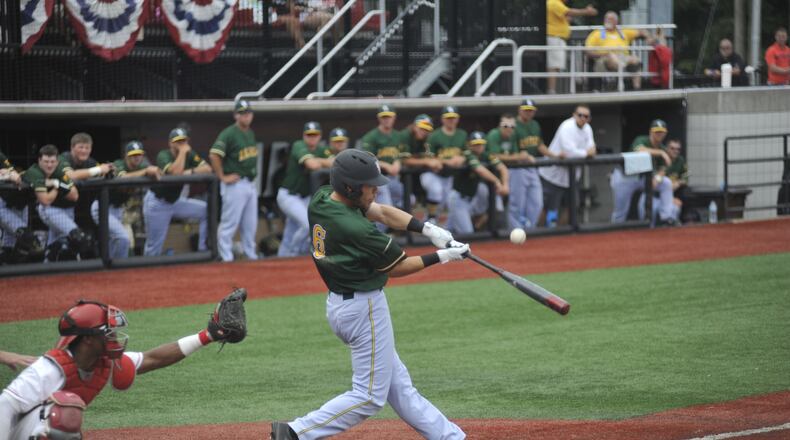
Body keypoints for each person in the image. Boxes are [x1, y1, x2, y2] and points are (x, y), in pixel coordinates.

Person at [270, 149, 469, 440]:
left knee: (399, 388)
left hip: (342, 306)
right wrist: (443, 256)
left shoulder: (323, 199)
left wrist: (427, 228)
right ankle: (295, 432)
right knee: (369, 397)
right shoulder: (356, 229)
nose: (376, 189)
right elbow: (398, 267)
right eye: (370, 185)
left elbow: (383, 212)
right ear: (350, 187)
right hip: (364, 310)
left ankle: (451, 437)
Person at [0, 292, 244, 439]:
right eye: (108, 333)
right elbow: (6, 405)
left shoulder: (103, 362)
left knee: (67, 418)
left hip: (35, 431)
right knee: (64, 415)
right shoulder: (50, 369)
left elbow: (152, 359)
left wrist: (208, 336)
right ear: (86, 339)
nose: (114, 338)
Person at [143, 128, 212, 256]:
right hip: (158, 203)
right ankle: (146, 271)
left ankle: (203, 250)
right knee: (154, 246)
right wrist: (182, 152)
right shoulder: (163, 155)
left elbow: (207, 168)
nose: (181, 144)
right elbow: (175, 172)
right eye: (177, 141)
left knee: (206, 210)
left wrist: (190, 172)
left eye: (183, 141)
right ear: (170, 143)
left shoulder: (190, 154)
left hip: (174, 201)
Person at [91, 141, 161, 259]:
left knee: (114, 241)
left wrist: (154, 170)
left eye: (139, 154)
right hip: (102, 207)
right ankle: (120, 268)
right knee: (123, 237)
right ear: (126, 156)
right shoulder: (120, 164)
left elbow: (158, 173)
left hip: (117, 209)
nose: (136, 157)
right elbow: (122, 178)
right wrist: (145, 172)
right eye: (133, 155)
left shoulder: (142, 166)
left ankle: (111, 270)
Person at [210, 100, 260, 262]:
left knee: (250, 224)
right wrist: (222, 176)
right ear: (235, 115)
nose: (246, 116)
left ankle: (250, 254)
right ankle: (226, 257)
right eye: (242, 113)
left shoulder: (250, 133)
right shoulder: (229, 133)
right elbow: (214, 154)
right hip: (235, 184)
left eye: (248, 113)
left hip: (250, 184)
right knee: (229, 223)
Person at [276, 122, 333, 257]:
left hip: (305, 197)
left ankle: (282, 257)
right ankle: (293, 253)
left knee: (291, 231)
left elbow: (335, 162)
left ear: (320, 136)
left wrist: (318, 160)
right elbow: (311, 164)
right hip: (289, 195)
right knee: (308, 225)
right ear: (304, 136)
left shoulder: (322, 149)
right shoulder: (298, 145)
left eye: (315, 135)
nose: (312, 138)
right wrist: (320, 161)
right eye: (309, 135)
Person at [538, 105, 596, 226]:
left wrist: (585, 153)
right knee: (545, 207)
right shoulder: (566, 126)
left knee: (571, 207)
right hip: (552, 176)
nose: (583, 118)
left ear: (589, 118)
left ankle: (561, 237)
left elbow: (592, 149)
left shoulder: (587, 128)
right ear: (574, 115)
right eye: (580, 115)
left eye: (586, 116)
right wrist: (586, 153)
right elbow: (569, 152)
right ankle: (538, 235)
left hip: (572, 177)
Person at [448, 132, 509, 234]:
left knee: (449, 232)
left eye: (481, 144)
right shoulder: (467, 154)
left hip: (472, 201)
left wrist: (505, 185)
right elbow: (479, 169)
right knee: (467, 233)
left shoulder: (487, 155)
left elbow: (503, 168)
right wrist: (497, 181)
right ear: (470, 145)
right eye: (475, 144)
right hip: (458, 200)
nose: (479, 147)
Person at [22, 145, 79, 246]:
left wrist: (56, 183)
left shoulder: (58, 171)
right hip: (8, 205)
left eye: (52, 162)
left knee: (57, 244)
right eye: (46, 162)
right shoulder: (34, 172)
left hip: (22, 207)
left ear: (57, 162)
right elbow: (45, 201)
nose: (49, 165)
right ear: (39, 161)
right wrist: (57, 186)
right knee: (77, 237)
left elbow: (74, 195)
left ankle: (48, 258)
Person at [423, 106, 467, 224]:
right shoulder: (435, 136)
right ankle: (429, 222)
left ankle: (431, 223)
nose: (451, 120)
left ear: (457, 119)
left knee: (446, 204)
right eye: (448, 118)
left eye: (453, 118)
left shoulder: (462, 134)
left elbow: (467, 153)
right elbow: (429, 158)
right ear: (443, 119)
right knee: (436, 191)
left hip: (451, 176)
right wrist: (447, 161)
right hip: (434, 174)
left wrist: (461, 158)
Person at [584, 11, 650, 90]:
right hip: (604, 59)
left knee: (635, 60)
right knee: (612, 56)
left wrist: (648, 37)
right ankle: (619, 83)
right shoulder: (596, 33)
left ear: (616, 22)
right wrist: (605, 54)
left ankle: (637, 89)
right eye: (606, 19)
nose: (608, 21)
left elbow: (642, 31)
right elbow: (588, 51)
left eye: (610, 19)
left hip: (623, 57)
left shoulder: (623, 32)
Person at [361, 104, 407, 213]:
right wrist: (386, 165)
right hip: (377, 180)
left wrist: (398, 161)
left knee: (410, 200)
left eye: (389, 116)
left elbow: (405, 155)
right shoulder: (370, 136)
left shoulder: (399, 136)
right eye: (384, 117)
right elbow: (367, 159)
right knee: (387, 208)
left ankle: (393, 225)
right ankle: (380, 228)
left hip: (394, 179)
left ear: (394, 117)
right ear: (379, 118)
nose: (386, 120)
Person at [545, 0, 597, 94]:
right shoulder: (553, 2)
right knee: (553, 65)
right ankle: (551, 90)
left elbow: (566, 16)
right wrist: (586, 11)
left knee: (556, 65)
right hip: (554, 37)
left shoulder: (558, 4)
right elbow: (568, 12)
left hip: (558, 38)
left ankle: (552, 89)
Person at [0, 151, 29, 252]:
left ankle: (7, 254)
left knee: (22, 239)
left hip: (6, 202)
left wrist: (10, 173)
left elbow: (12, 173)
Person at [663, 138, 688, 219]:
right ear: (667, 149)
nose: (675, 151)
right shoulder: (661, 159)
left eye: (678, 149)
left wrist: (678, 182)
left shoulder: (680, 160)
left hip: (674, 194)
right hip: (658, 196)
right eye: (672, 148)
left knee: (678, 205)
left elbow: (686, 178)